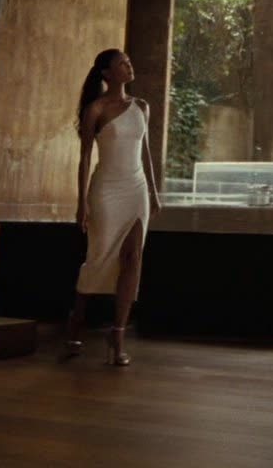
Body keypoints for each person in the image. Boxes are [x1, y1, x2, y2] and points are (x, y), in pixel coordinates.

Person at [63, 48, 160, 365]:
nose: (129, 66)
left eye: (129, 61)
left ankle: (117, 334)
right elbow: (85, 158)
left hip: (137, 190)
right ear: (106, 73)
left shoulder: (142, 106)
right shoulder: (96, 108)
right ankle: (76, 319)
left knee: (133, 259)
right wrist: (81, 202)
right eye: (122, 63)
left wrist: (153, 192)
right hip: (106, 190)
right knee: (98, 258)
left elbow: (145, 152)